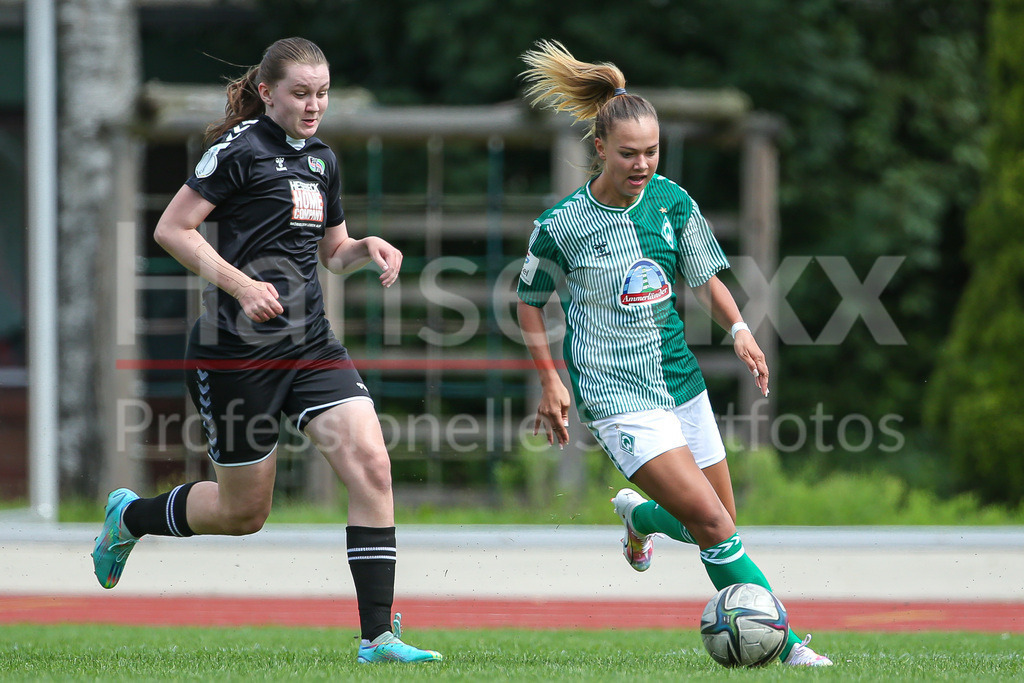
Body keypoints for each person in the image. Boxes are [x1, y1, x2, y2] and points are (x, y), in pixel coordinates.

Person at [91, 37, 441, 665]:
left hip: (310, 344)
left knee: (372, 466)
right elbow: (172, 228)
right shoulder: (238, 149)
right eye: (301, 93)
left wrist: (364, 248)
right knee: (243, 513)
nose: (314, 106)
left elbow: (331, 251)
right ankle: (132, 518)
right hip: (236, 352)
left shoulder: (323, 159)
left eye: (323, 93)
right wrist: (243, 284)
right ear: (268, 92)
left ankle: (377, 638)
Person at [515, 40, 832, 667]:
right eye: (628, 153)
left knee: (720, 523)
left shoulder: (673, 201)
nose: (641, 165)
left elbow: (705, 275)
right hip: (615, 396)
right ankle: (787, 646)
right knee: (716, 528)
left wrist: (739, 327)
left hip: (680, 384)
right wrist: (550, 381)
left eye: (651, 152)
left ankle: (642, 519)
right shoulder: (562, 223)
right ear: (599, 148)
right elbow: (528, 301)